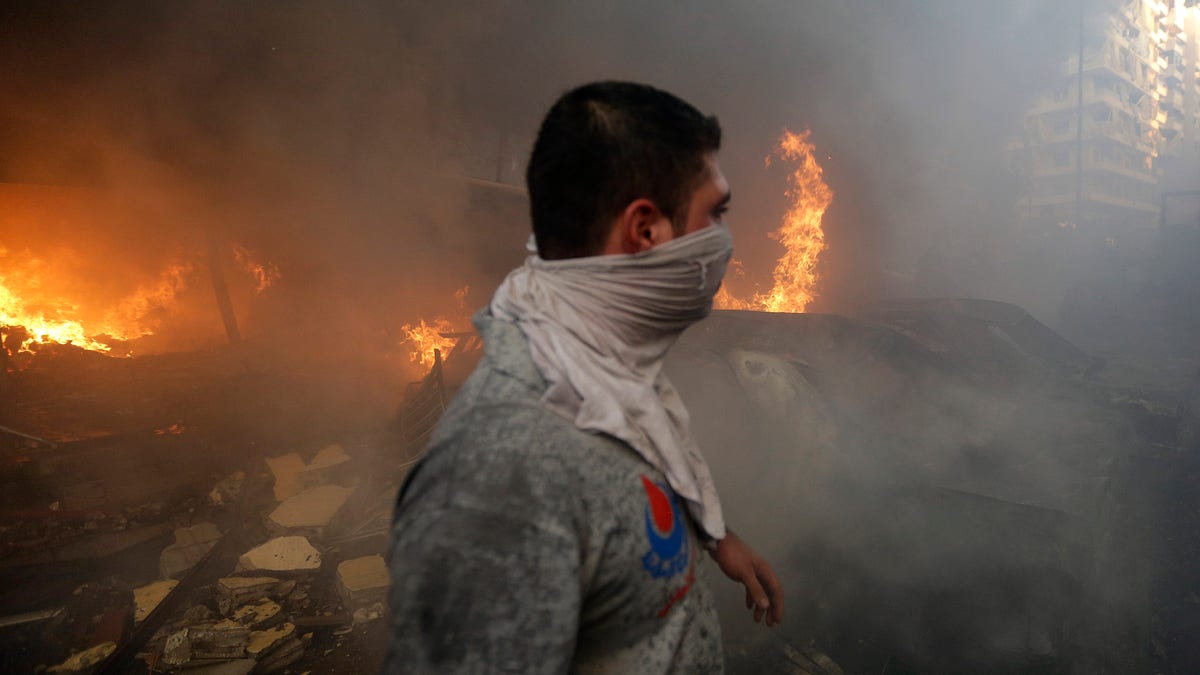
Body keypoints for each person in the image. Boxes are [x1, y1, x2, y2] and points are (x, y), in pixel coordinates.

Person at [386, 81, 783, 674]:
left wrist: (714, 536)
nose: (726, 241)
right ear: (645, 229)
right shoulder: (502, 485)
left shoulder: (590, 359)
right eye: (716, 214)